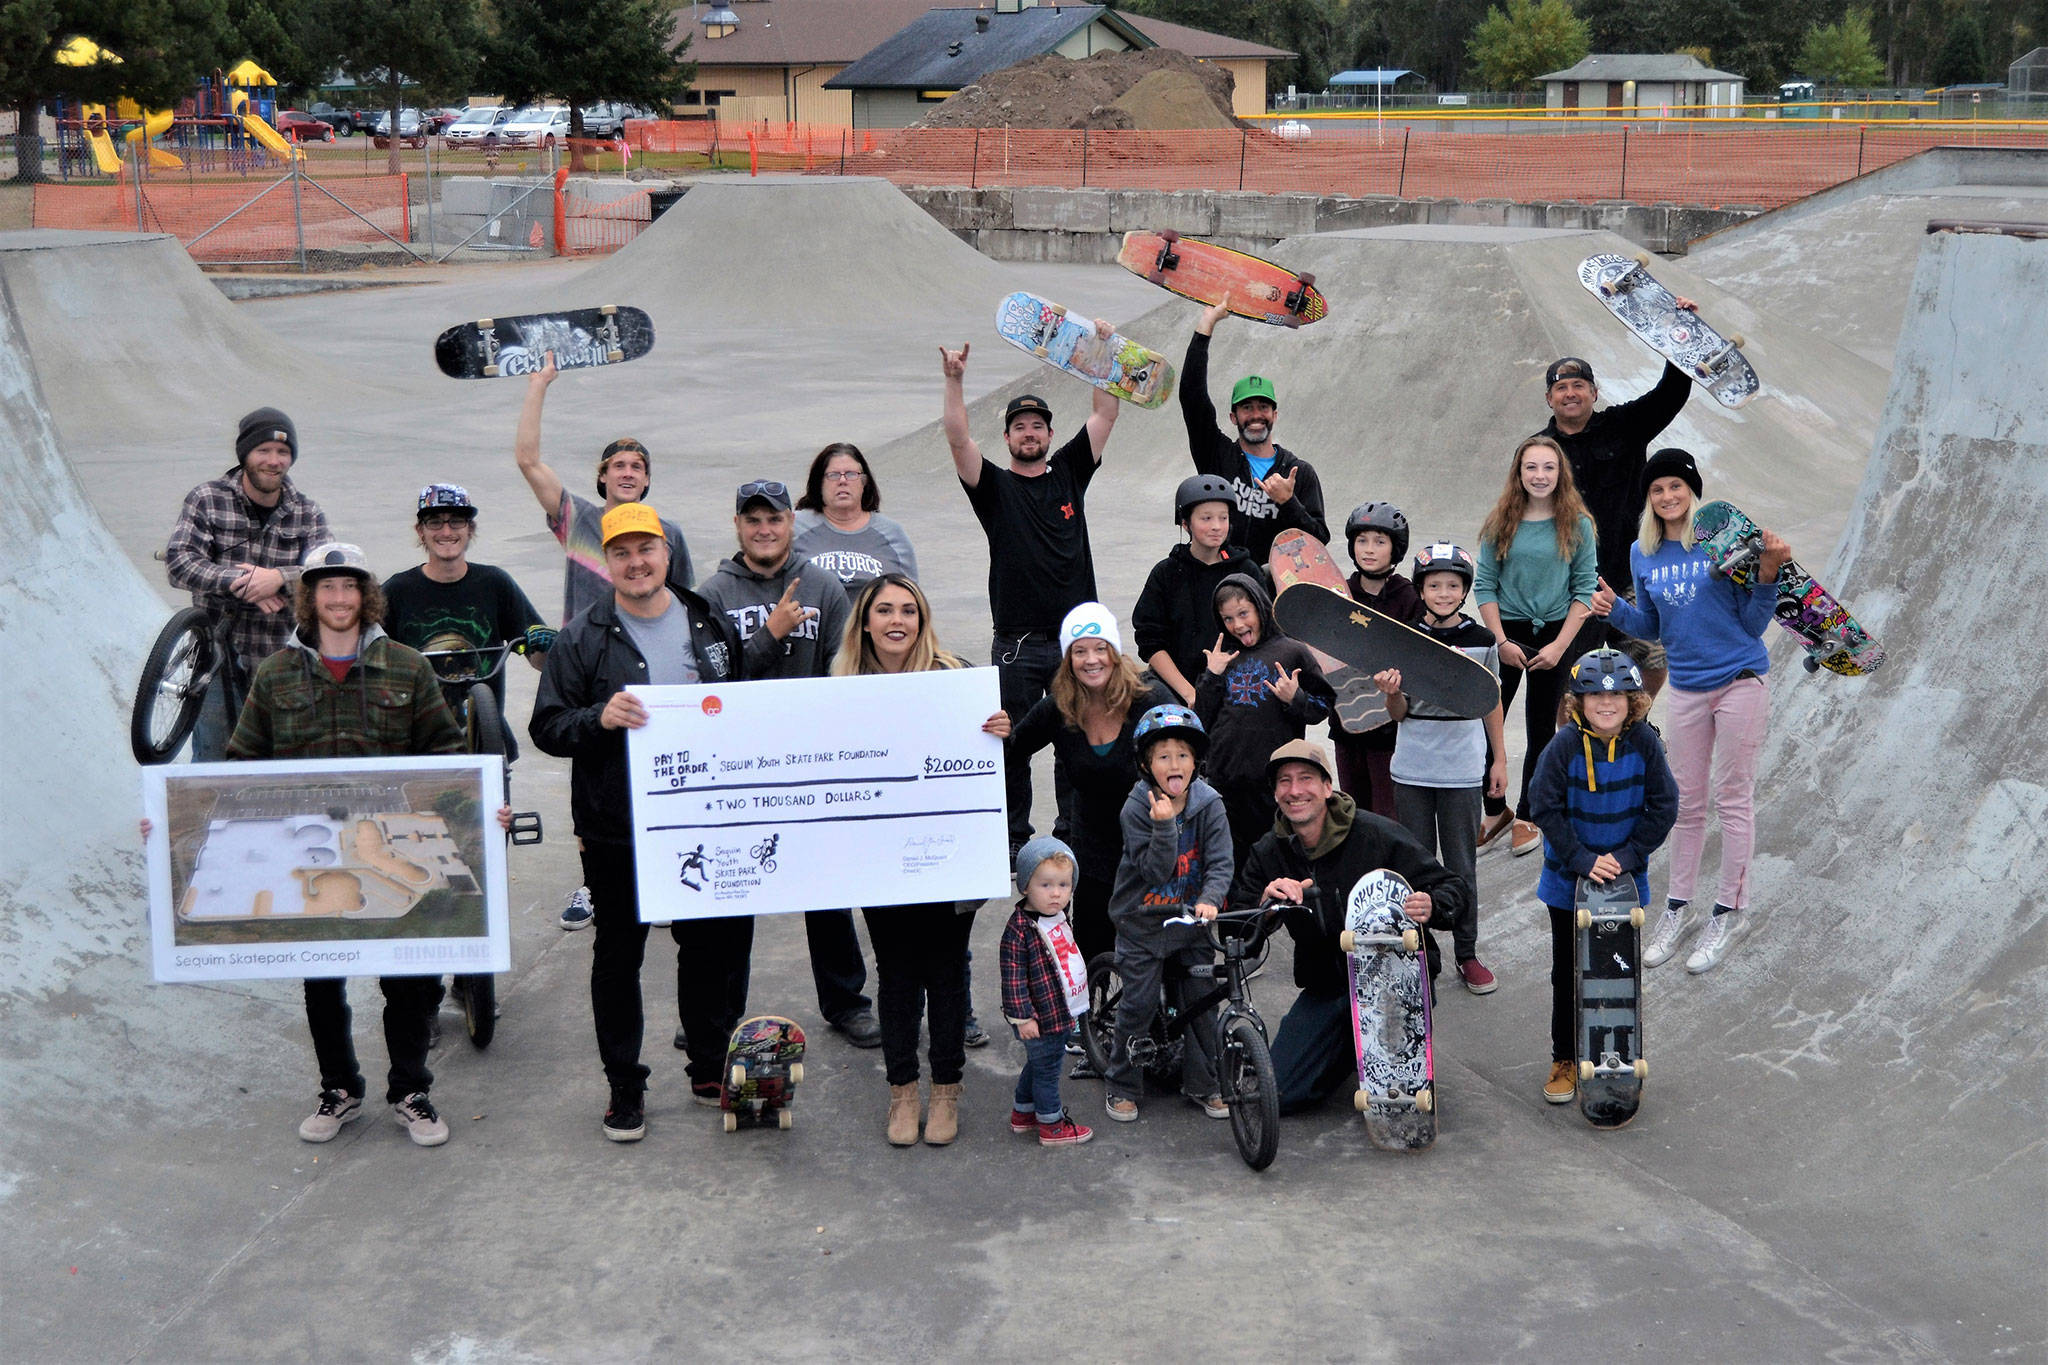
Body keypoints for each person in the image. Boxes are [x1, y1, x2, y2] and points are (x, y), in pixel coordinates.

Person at [225, 542, 489, 1148]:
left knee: (410, 982)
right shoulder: (275, 674)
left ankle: (411, 1090)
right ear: (309, 597)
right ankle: (339, 1088)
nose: (338, 599)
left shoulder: (407, 666)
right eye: (326, 588)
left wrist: (477, 806)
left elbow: (447, 756)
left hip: (390, 848)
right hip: (310, 854)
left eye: (349, 588)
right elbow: (240, 764)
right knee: (322, 981)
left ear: (365, 596)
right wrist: (166, 818)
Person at [528, 503, 748, 1142]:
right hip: (615, 827)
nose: (635, 562)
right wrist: (598, 718)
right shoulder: (582, 636)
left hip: (700, 822)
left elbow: (739, 714)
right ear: (608, 563)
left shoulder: (708, 624)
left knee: (705, 949)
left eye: (645, 549)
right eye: (620, 552)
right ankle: (625, 1086)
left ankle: (709, 1067)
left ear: (667, 553)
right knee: (619, 955)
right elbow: (547, 727)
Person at [513, 351, 694, 930]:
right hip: (589, 663)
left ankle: (663, 876)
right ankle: (596, 886)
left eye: (636, 465)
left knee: (661, 769)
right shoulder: (578, 520)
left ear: (646, 479)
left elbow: (685, 601)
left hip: (653, 660)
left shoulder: (668, 533)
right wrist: (540, 384)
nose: (626, 471)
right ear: (602, 476)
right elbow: (527, 459)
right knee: (594, 780)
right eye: (616, 464)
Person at [829, 573, 1011, 1145]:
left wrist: (999, 731)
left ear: (922, 619)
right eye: (883, 610)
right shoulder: (839, 687)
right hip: (879, 858)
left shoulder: (954, 678)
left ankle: (947, 1089)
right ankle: (902, 1092)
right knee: (897, 973)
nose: (896, 621)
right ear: (865, 622)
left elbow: (985, 766)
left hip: (948, 854)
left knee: (948, 971)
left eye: (908, 610)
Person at [1590, 447, 1786, 975]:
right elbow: (1653, 627)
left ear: (1692, 492)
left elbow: (1751, 625)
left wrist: (1766, 573)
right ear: (1649, 499)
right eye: (1658, 489)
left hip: (1740, 679)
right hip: (1688, 688)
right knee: (1686, 802)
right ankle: (1679, 909)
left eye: (1676, 486)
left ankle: (1730, 910)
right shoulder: (1641, 552)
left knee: (1733, 796)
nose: (1667, 496)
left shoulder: (1719, 544)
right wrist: (1617, 611)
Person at [699, 477, 879, 1048]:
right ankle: (716, 1010)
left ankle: (846, 1001)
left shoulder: (823, 586)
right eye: (752, 520)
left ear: (789, 523)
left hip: (809, 764)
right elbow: (712, 685)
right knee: (734, 894)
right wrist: (769, 636)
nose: (764, 529)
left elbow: (843, 670)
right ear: (738, 526)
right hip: (738, 771)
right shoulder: (714, 595)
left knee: (825, 889)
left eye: (774, 519)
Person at [941, 341, 1122, 854]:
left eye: (1037, 425)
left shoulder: (1068, 473)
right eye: (1019, 427)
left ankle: (1073, 837)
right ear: (1007, 438)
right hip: (1017, 645)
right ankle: (1012, 841)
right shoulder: (993, 487)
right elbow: (957, 439)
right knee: (1012, 744)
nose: (1029, 433)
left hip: (1076, 646)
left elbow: (1106, 409)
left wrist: (1101, 351)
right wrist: (954, 379)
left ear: (1048, 434)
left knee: (1076, 742)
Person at [1232, 739, 1469, 1115]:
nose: (1295, 791)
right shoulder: (1268, 852)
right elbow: (1237, 935)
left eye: (1306, 778)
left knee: (1397, 1098)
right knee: (1279, 1095)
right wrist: (1265, 907)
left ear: (1328, 787)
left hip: (1393, 979)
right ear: (1275, 792)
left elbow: (1452, 887)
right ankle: (1352, 1048)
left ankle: (1384, 1047)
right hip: (1326, 983)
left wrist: (1432, 905)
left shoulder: (1375, 834)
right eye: (1284, 781)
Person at [1527, 649, 1678, 1104]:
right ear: (1578, 702)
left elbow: (1665, 806)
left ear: (1634, 700)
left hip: (1623, 881)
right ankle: (1566, 1057)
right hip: (1566, 881)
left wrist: (1629, 854)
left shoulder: (1645, 743)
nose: (1605, 705)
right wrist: (1581, 859)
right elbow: (1543, 806)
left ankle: (1617, 1053)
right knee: (1567, 973)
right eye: (1594, 697)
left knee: (1617, 972)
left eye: (1616, 697)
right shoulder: (1565, 745)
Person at [1370, 541, 1507, 996]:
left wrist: (1499, 759)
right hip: (1411, 768)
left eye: (1452, 585)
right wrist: (1390, 691)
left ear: (1464, 590)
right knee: (1415, 867)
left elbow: (1491, 704)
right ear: (1421, 589)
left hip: (1463, 771)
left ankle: (1466, 953)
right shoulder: (1404, 637)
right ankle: (1420, 952)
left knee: (1461, 865)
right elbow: (1398, 712)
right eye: (1434, 585)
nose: (1443, 593)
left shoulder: (1482, 641)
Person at [1008, 604, 1170, 971]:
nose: (1091, 660)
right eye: (1079, 651)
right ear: (1068, 660)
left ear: (1114, 653)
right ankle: (1091, 1021)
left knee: (1156, 953)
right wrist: (998, 732)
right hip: (1093, 843)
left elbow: (1192, 758)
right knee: (1094, 947)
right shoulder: (1058, 708)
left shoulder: (1149, 699)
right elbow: (1012, 752)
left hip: (1151, 840)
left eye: (1100, 648)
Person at [164, 407, 332, 759]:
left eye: (283, 452)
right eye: (263, 451)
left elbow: (328, 574)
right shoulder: (207, 499)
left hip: (283, 661)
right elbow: (180, 562)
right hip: (215, 657)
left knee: (283, 763)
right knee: (214, 760)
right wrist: (241, 581)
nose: (273, 461)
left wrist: (277, 579)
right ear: (245, 455)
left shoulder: (307, 513)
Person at [1538, 345, 1695, 698]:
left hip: (1629, 577)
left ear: (1594, 392)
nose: (1571, 394)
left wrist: (1679, 340)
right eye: (1561, 388)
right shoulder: (1539, 451)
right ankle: (1576, 743)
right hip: (1571, 585)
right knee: (1570, 678)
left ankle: (1633, 723)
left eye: (1579, 385)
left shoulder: (1623, 426)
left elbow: (1669, 396)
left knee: (1653, 659)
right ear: (1549, 398)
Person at [1103, 705, 1234, 1123]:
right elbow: (1155, 872)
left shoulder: (1210, 804)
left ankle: (1204, 1083)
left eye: (1182, 754)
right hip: (1142, 922)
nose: (1174, 764)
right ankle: (1122, 1084)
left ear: (1196, 762)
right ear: (1146, 765)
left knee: (1201, 1005)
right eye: (1163, 756)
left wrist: (1211, 897)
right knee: (1137, 1006)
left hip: (1192, 923)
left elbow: (1221, 862)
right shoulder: (1136, 809)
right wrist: (1163, 828)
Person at [1474, 434, 1599, 858]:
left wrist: (1562, 646)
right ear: (1519, 473)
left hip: (1555, 637)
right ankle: (1495, 809)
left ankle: (1529, 813)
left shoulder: (1577, 524)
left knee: (1541, 729)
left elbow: (1584, 591)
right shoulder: (1500, 521)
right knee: (1485, 726)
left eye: (1548, 467)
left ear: (1560, 472)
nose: (1540, 475)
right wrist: (1501, 640)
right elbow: (1484, 585)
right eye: (1531, 467)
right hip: (1507, 633)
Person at [380, 484, 549, 760]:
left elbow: (537, 659)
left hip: (485, 733)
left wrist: (542, 642)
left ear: (470, 529)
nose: (446, 532)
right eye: (435, 522)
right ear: (420, 531)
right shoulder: (397, 591)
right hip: (417, 742)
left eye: (456, 521)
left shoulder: (494, 584)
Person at [1194, 573, 1334, 864]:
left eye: (1244, 613)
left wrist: (1295, 698)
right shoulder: (1223, 657)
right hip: (1225, 781)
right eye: (1228, 619)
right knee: (1227, 860)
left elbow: (1323, 707)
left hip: (1272, 784)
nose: (1239, 625)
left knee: (1274, 859)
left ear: (1260, 606)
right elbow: (1201, 719)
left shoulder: (1292, 651)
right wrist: (1212, 676)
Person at [1180, 298, 1330, 562]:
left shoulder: (1298, 473)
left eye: (1263, 407)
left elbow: (1319, 542)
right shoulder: (1217, 456)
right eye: (1247, 408)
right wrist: (1206, 326)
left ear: (1274, 415)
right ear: (1233, 417)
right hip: (1221, 582)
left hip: (1272, 589)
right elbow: (1193, 399)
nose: (1256, 415)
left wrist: (1288, 502)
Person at [1328, 501, 1422, 820]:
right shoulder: (1339, 594)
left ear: (1395, 549)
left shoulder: (1408, 596)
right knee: (1354, 812)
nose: (1369, 549)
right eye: (1362, 540)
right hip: (1347, 723)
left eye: (1380, 542)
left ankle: (1389, 869)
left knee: (1388, 813)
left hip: (1389, 730)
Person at [1131, 474, 1257, 706]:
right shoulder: (1166, 573)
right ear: (1185, 523)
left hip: (1236, 692)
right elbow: (1150, 643)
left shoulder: (1245, 570)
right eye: (1206, 518)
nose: (1217, 527)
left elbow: (1264, 632)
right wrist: (1190, 694)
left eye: (1223, 518)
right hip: (1178, 692)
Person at [1000, 838, 1095, 1146]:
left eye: (1064, 885)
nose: (1056, 893)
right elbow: (1013, 979)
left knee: (1039, 1064)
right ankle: (1051, 1124)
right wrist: (1022, 1018)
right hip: (1039, 1018)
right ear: (1025, 886)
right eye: (1046, 885)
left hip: (1059, 1011)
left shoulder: (1056, 916)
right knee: (1048, 1072)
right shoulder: (1019, 930)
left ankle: (1023, 1112)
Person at [792, 442, 919, 597]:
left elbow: (911, 597)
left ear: (864, 482)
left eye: (851, 474)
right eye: (833, 475)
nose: (843, 481)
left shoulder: (892, 533)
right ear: (819, 483)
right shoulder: (794, 526)